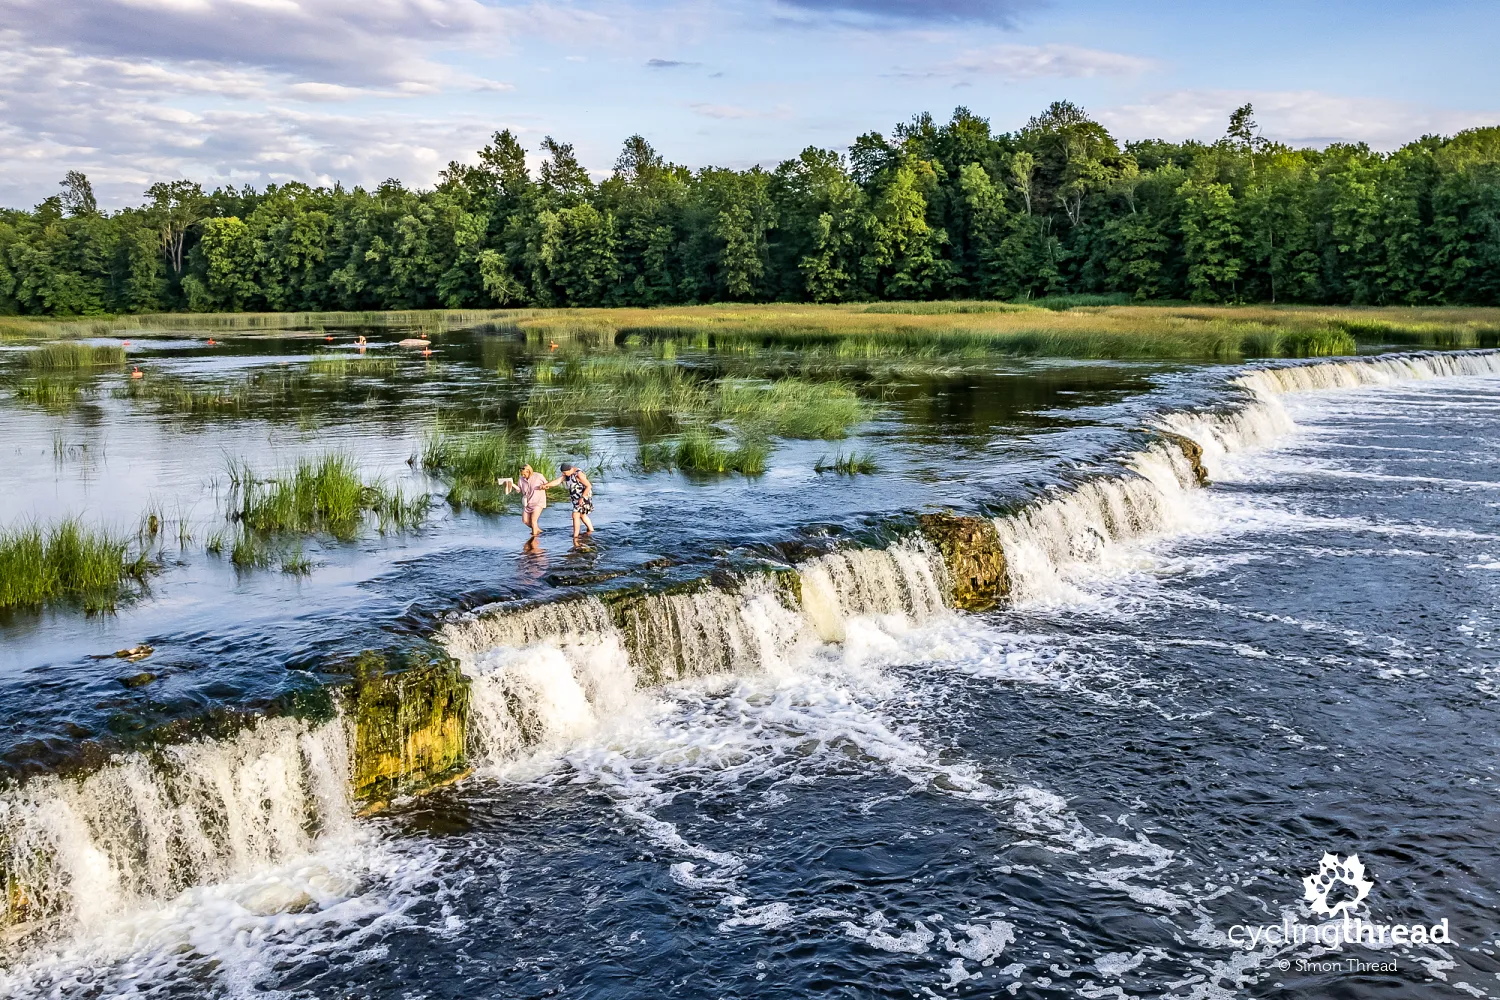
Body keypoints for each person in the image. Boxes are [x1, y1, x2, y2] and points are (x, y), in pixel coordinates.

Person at [542, 463, 594, 537]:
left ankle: (575, 536)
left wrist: (582, 497)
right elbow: (557, 481)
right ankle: (591, 530)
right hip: (575, 498)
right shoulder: (567, 475)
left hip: (583, 496)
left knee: (575, 515)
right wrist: (546, 485)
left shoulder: (578, 474)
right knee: (582, 515)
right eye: (563, 473)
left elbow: (589, 486)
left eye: (565, 473)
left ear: (570, 470)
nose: (564, 474)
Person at [499, 464, 550, 537]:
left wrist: (543, 487)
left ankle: (534, 538)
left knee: (533, 520)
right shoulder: (521, 479)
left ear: (528, 471)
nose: (523, 476)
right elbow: (519, 489)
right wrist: (511, 484)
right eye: (521, 474)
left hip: (538, 502)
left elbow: (547, 485)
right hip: (528, 503)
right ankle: (538, 530)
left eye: (524, 474)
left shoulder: (538, 476)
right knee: (525, 520)